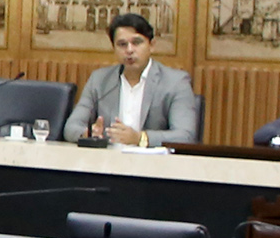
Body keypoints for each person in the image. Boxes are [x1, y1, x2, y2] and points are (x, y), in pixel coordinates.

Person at [62, 12, 199, 145]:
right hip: (107, 158)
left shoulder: (175, 82)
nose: (129, 50)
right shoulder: (99, 80)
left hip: (151, 159)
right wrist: (88, 134)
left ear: (151, 45)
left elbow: (185, 136)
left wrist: (139, 138)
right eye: (122, 44)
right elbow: (71, 127)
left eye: (137, 42)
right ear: (114, 48)